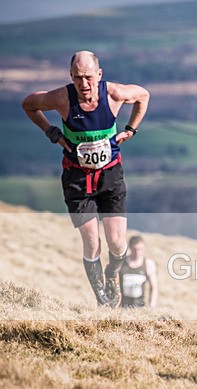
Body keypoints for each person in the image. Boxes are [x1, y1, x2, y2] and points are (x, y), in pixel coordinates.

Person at [21, 51, 149, 307]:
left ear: (99, 75)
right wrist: (52, 132)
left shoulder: (114, 94)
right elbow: (28, 104)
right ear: (71, 76)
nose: (84, 84)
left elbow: (143, 96)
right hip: (77, 179)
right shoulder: (61, 98)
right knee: (92, 243)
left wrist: (131, 129)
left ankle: (112, 272)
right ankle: (102, 298)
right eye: (78, 78)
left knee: (116, 243)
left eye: (89, 77)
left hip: (110, 176)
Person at [120, 235, 158, 308]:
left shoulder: (148, 264)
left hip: (140, 306)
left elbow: (153, 287)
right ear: (130, 247)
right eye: (135, 249)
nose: (137, 252)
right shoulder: (122, 263)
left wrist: (151, 306)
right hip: (122, 306)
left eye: (140, 249)